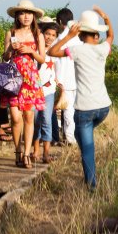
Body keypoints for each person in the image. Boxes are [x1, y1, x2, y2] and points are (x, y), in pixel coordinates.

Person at [47, 7, 114, 189]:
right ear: (96, 35)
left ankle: (91, 185)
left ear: (81, 34)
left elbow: (51, 52)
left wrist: (68, 36)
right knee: (81, 134)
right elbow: (111, 37)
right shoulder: (102, 49)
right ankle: (89, 176)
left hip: (85, 109)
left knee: (87, 148)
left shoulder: (76, 50)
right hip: (103, 108)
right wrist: (106, 19)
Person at [1, 0, 47, 169]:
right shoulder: (11, 32)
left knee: (29, 117)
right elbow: (5, 57)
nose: (26, 16)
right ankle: (18, 150)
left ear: (34, 16)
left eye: (29, 13)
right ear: (17, 16)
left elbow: (42, 58)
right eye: (22, 13)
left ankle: (27, 154)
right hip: (13, 77)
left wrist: (31, 51)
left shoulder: (38, 35)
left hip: (30, 78)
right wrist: (11, 49)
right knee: (14, 117)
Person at [32, 18, 59, 164]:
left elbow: (59, 71)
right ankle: (36, 151)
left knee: (47, 120)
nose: (50, 37)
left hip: (49, 91)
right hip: (34, 90)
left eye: (53, 35)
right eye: (47, 34)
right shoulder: (36, 50)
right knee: (36, 121)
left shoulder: (56, 52)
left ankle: (46, 153)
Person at [53, 8, 79, 144]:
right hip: (77, 80)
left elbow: (55, 60)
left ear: (59, 21)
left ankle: (70, 138)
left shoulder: (59, 40)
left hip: (64, 81)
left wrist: (58, 80)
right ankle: (70, 137)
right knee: (72, 111)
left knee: (68, 112)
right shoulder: (78, 39)